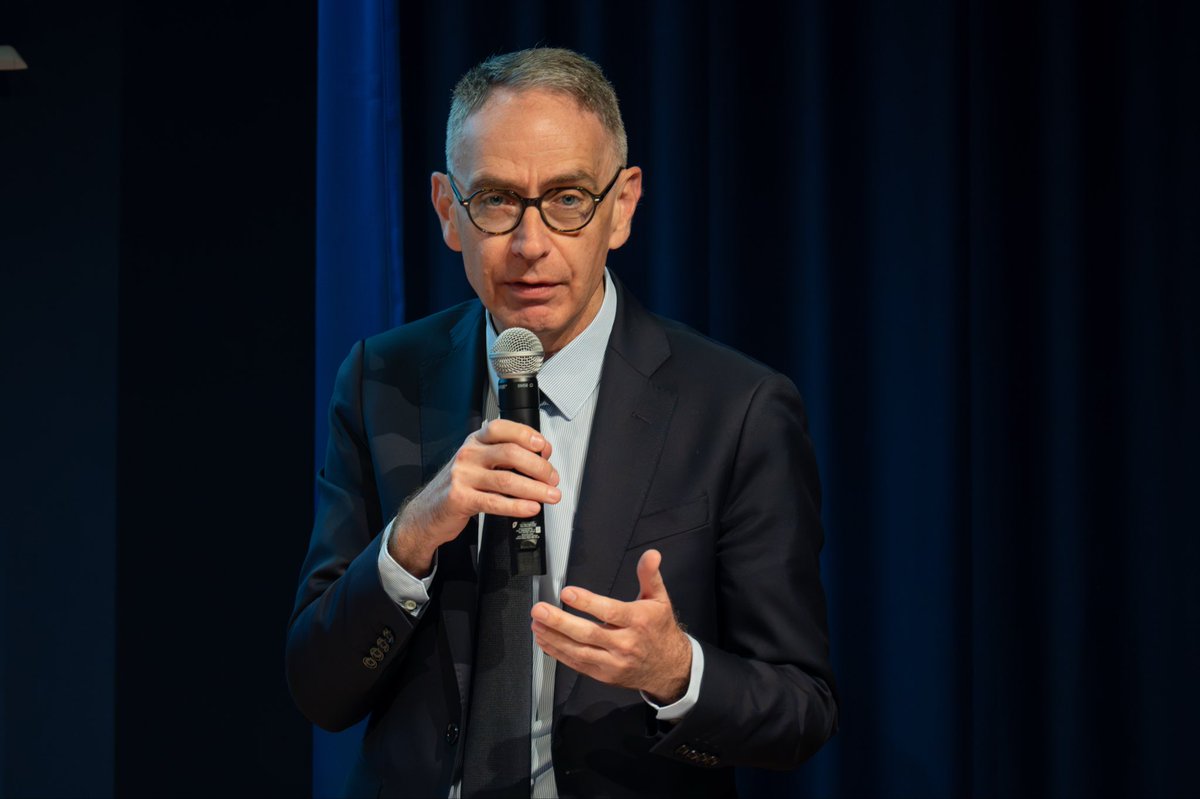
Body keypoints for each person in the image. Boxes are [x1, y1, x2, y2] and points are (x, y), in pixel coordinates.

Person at [286, 47, 837, 798]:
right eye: (496, 200)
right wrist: (411, 537)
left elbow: (802, 711)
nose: (530, 243)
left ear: (623, 206)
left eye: (569, 199)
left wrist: (676, 671)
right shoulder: (381, 380)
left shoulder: (737, 409)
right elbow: (318, 688)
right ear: (448, 211)